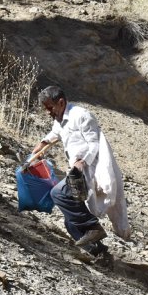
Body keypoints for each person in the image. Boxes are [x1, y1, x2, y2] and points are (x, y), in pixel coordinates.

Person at [32, 86, 109, 256]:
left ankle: (94, 227)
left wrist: (83, 161)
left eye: (49, 108)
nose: (47, 112)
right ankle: (99, 254)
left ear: (60, 102)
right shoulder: (59, 118)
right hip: (76, 170)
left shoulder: (81, 116)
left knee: (58, 193)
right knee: (71, 223)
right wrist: (44, 143)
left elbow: (94, 143)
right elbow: (56, 132)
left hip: (88, 169)